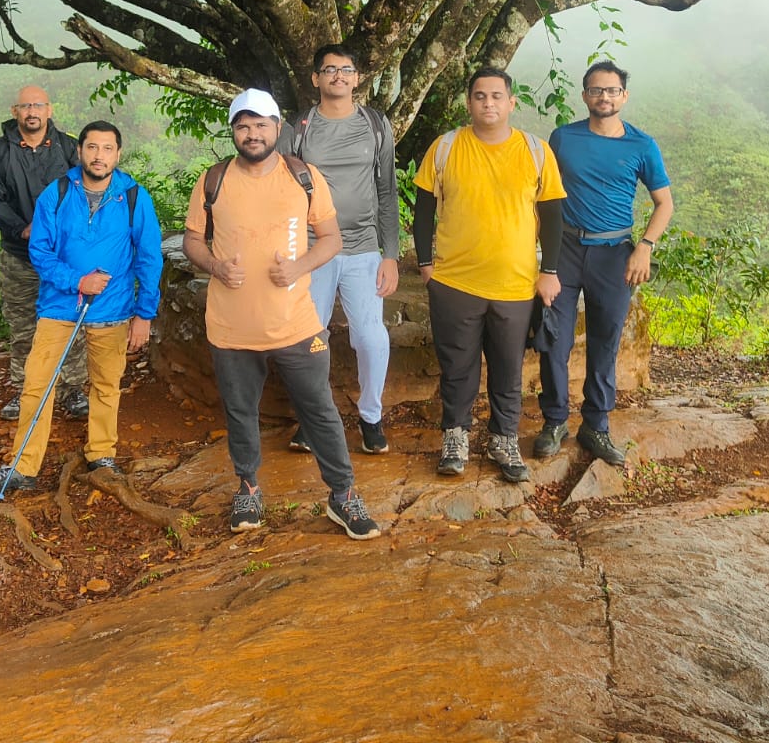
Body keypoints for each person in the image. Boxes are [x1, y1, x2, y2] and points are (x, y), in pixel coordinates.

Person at [182, 89, 383, 541]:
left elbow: (331, 237)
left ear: (278, 129)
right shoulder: (213, 180)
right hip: (232, 326)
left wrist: (299, 265)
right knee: (240, 411)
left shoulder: (304, 176)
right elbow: (193, 240)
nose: (252, 134)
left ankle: (343, 495)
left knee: (321, 411)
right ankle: (249, 488)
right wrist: (215, 264)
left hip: (296, 323)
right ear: (233, 131)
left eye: (260, 125)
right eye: (243, 126)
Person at [0, 121, 163, 495]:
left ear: (118, 154)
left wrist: (144, 314)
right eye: (92, 147)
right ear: (80, 152)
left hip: (112, 310)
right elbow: (39, 252)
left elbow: (149, 257)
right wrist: (76, 281)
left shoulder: (133, 197)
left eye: (107, 148)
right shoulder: (57, 193)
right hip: (60, 308)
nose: (99, 155)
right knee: (37, 384)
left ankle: (101, 454)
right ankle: (24, 467)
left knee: (106, 385)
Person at [413, 67, 565, 484]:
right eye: (480, 96)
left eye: (497, 96)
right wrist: (427, 265)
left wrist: (548, 271)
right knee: (457, 368)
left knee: (507, 369)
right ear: (469, 102)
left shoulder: (535, 151)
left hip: (515, 284)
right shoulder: (446, 147)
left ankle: (504, 439)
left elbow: (552, 215)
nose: (489, 104)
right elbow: (423, 207)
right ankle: (456, 438)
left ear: (512, 103)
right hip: (455, 281)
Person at [535, 61, 673, 467]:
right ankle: (555, 420)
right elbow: (543, 197)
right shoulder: (564, 138)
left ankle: (595, 424)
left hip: (615, 254)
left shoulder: (642, 145)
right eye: (597, 91)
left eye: (612, 91)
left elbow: (664, 203)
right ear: (585, 96)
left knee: (604, 342)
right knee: (554, 339)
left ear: (624, 96)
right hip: (565, 250)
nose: (604, 97)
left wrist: (644, 246)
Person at [282, 43, 398, 455]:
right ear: (315, 79)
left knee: (371, 337)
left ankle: (371, 416)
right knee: (310, 336)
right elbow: (280, 188)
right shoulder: (299, 127)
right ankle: (313, 419)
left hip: (364, 248)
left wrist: (391, 253)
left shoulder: (375, 124)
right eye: (329, 70)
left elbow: (387, 189)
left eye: (346, 70)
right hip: (312, 249)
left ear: (357, 78)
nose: (338, 76)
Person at [0, 85, 83, 422]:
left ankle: (70, 390)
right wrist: (23, 229)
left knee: (69, 322)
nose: (32, 112)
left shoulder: (69, 148)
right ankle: (26, 391)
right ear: (15, 111)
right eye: (26, 106)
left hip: (65, 259)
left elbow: (88, 188)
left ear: (49, 109)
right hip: (19, 257)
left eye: (38, 105)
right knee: (24, 326)